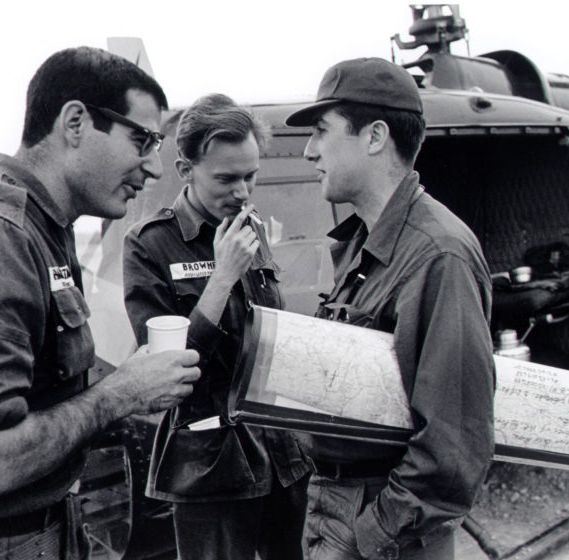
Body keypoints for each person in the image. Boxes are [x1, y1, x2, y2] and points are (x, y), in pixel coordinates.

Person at [0, 46, 203, 560]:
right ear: (76, 122)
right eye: (142, 139)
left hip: (46, 529)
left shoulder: (45, 226)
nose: (153, 167)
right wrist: (120, 395)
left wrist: (132, 384)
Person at [285, 57, 495, 560]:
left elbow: (454, 445)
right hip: (338, 505)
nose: (310, 151)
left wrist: (370, 536)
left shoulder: (437, 254)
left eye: (321, 131)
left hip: (384, 532)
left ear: (375, 137)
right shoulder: (364, 244)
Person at [123, 93, 311, 560]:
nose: (243, 192)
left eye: (251, 176)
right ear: (185, 170)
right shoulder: (151, 245)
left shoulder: (249, 225)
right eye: (226, 179)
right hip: (212, 467)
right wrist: (223, 275)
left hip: (281, 455)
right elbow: (164, 368)